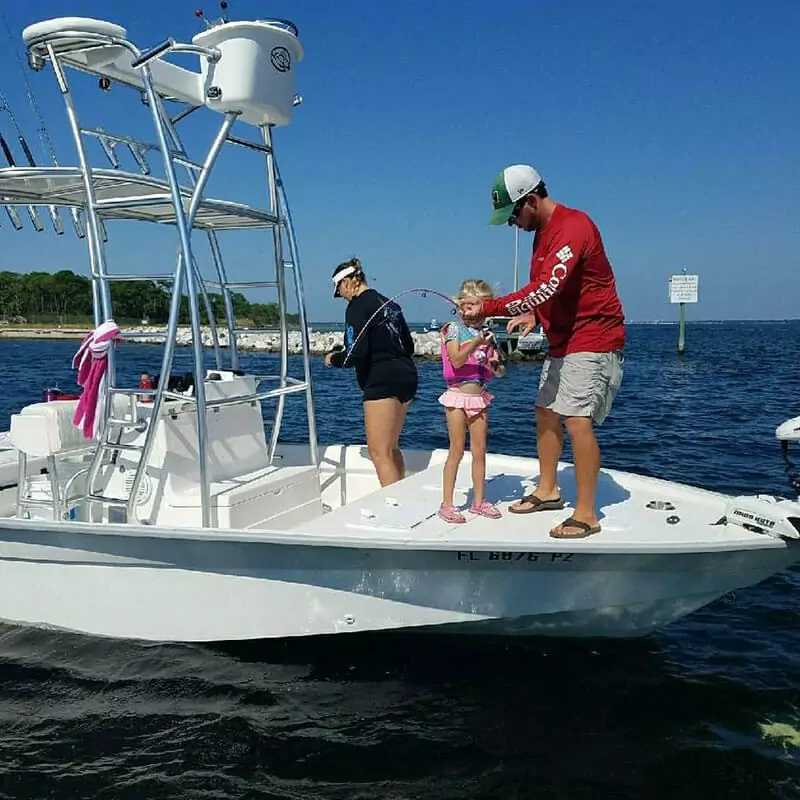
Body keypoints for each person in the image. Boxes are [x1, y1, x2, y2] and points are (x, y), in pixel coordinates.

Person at [478, 164, 625, 539]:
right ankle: (548, 491)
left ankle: (587, 514)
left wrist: (487, 308)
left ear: (531, 200)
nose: (512, 223)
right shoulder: (541, 235)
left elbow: (547, 286)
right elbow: (550, 292)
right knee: (545, 411)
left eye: (512, 214)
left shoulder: (573, 227)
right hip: (563, 339)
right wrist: (534, 315)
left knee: (577, 419)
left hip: (593, 336)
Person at [325, 257, 418, 486]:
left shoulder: (356, 306)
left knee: (378, 451)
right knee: (392, 447)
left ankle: (395, 508)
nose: (341, 296)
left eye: (339, 290)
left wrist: (332, 359)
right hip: (406, 375)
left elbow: (353, 355)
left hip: (381, 380)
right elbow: (409, 346)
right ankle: (402, 497)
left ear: (348, 282)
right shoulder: (390, 303)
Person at [438, 279, 505, 524]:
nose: (468, 312)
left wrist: (494, 361)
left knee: (480, 452)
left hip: (479, 398)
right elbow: (456, 360)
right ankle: (447, 503)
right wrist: (476, 343)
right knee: (456, 450)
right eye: (464, 306)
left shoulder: (488, 335)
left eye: (473, 306)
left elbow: (499, 371)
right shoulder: (452, 330)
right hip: (456, 397)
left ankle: (478, 502)